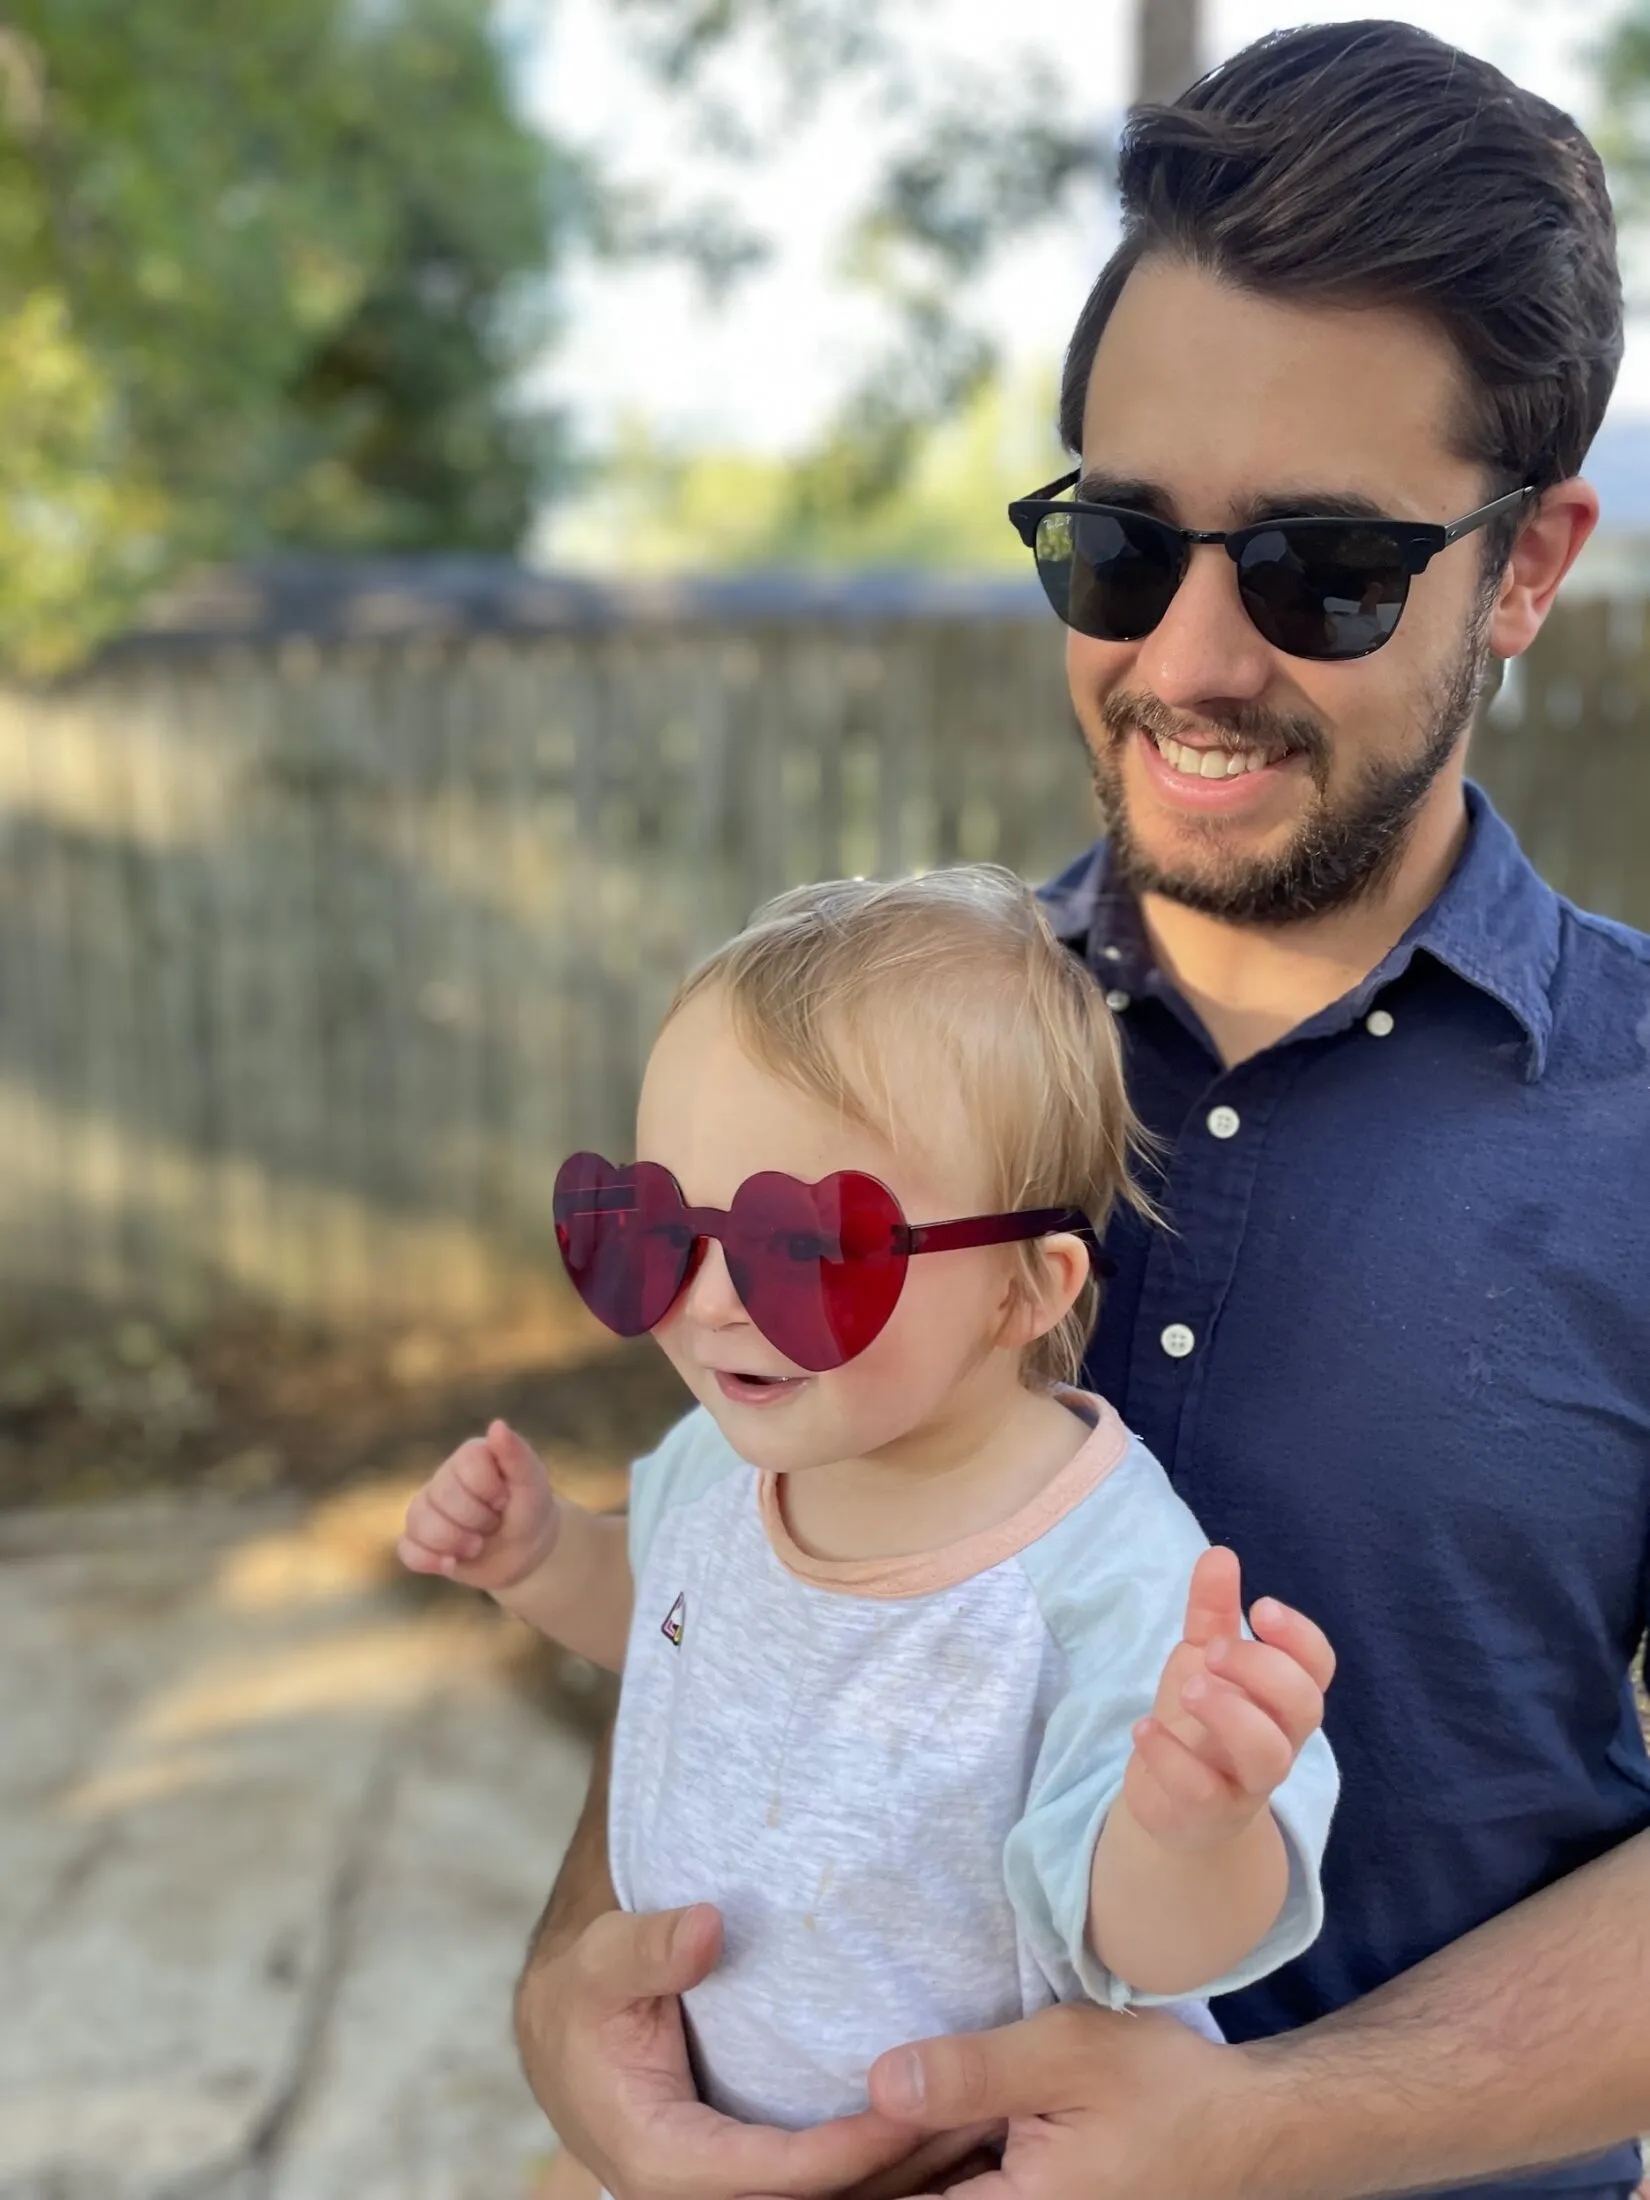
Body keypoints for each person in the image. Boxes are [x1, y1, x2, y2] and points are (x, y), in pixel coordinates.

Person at [514, 20, 1650, 2200]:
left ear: (1524, 564)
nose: (1190, 658)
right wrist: (574, 2004)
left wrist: (1264, 2126)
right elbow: (736, 1609)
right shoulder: (877, 1055)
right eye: (1122, 543)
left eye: (1325, 568)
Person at [400, 869, 1339, 2131]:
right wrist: (543, 1556)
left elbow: (1155, 1953)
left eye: (808, 1251)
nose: (712, 1301)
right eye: (663, 1226)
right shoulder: (719, 1464)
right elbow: (672, 1624)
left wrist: (1189, 1828)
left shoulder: (1099, 1578)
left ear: (1025, 1288)